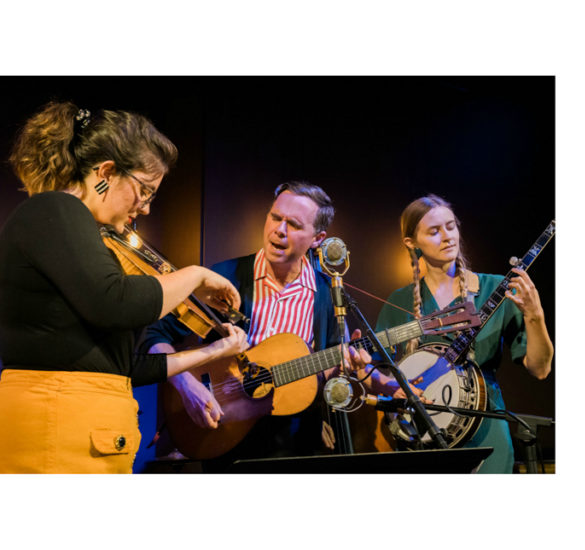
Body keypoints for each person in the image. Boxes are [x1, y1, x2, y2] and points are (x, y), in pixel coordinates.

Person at [0, 101, 248, 473]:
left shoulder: (76, 230)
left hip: (81, 431)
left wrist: (213, 351)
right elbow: (116, 302)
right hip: (58, 431)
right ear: (107, 172)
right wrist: (195, 275)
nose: (145, 208)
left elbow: (125, 366)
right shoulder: (57, 208)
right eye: (145, 190)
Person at [142, 181, 371, 470]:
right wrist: (186, 384)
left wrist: (345, 364)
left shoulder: (327, 294)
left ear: (317, 238)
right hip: (224, 433)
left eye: (294, 225)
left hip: (295, 443)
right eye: (275, 217)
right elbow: (154, 336)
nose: (279, 230)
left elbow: (327, 370)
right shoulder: (225, 277)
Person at [367, 194, 554, 473]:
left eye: (451, 226)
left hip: (486, 436)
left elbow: (540, 369)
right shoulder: (399, 301)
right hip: (422, 441)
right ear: (411, 242)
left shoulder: (494, 289)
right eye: (434, 231)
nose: (447, 237)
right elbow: (372, 371)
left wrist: (535, 315)